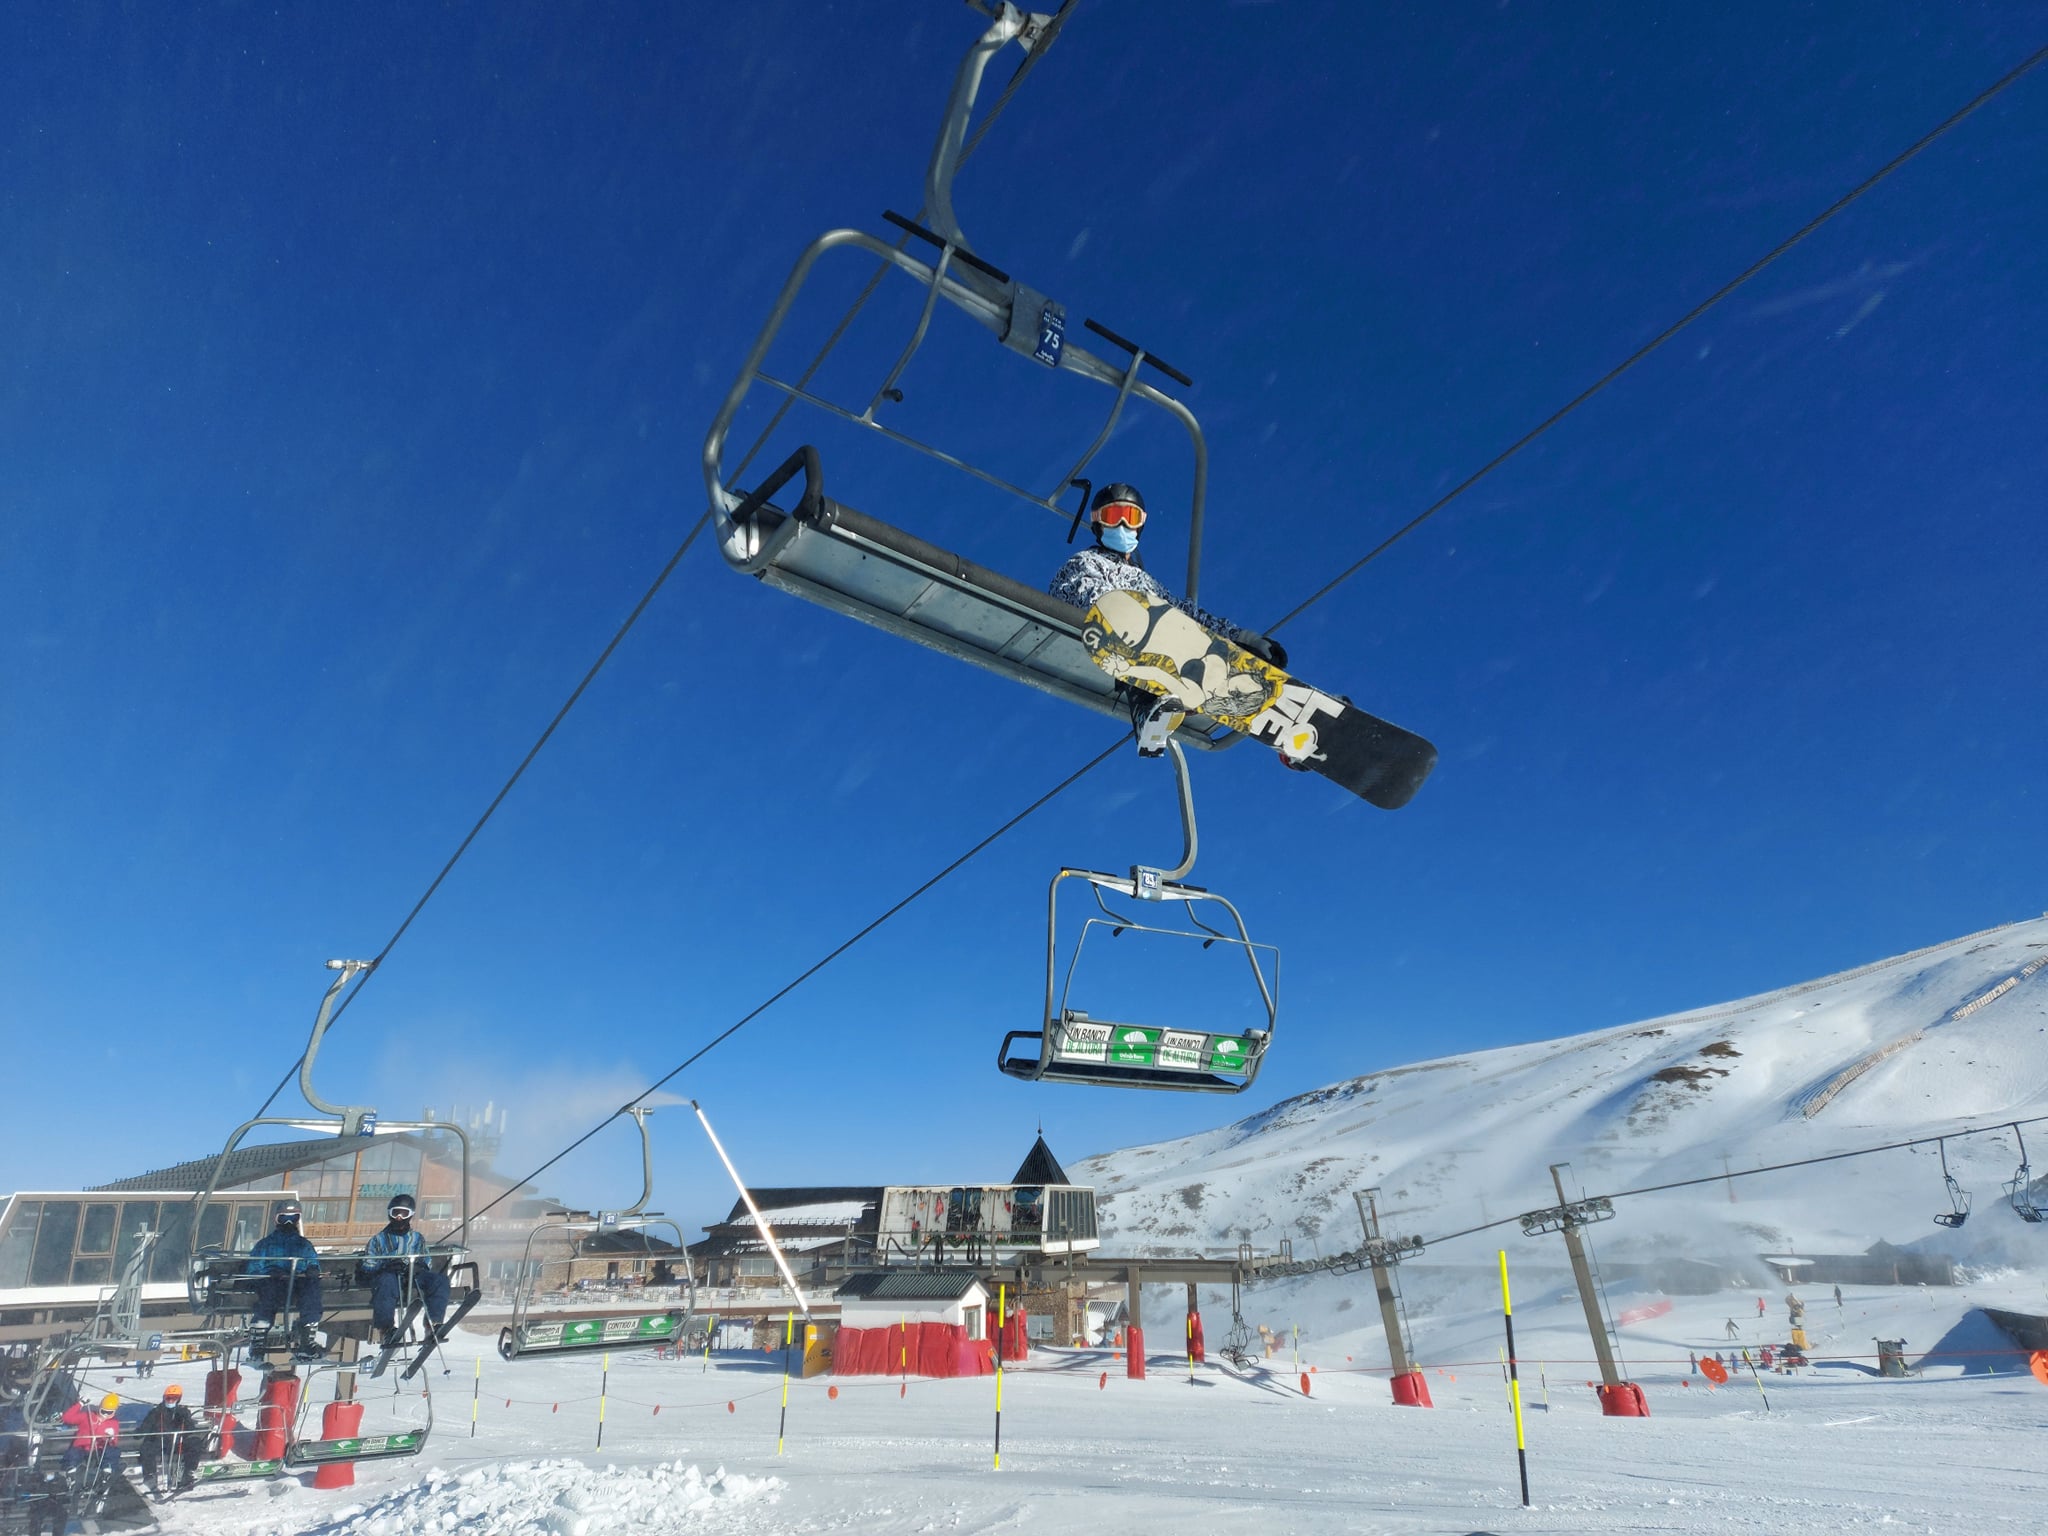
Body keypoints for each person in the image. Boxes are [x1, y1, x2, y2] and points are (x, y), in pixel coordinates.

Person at [1049, 482, 1288, 689]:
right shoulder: (1085, 563)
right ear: (1098, 523)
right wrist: (1134, 616)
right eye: (1112, 517)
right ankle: (1175, 682)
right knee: (1156, 633)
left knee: (1188, 628)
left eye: (1130, 517)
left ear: (1140, 524)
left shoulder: (1148, 584)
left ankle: (1233, 673)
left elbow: (1192, 616)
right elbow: (1072, 595)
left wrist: (1246, 638)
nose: (1122, 525)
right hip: (1112, 643)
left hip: (1164, 652)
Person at [361, 1194, 449, 1349]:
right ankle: (386, 1329)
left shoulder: (417, 1238)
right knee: (386, 1282)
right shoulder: (378, 1239)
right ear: (390, 1214)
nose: (399, 1218)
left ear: (411, 1215)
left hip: (413, 1276)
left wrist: (418, 1266)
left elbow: (426, 1259)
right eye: (396, 1213)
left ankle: (432, 1324)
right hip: (389, 1277)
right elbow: (368, 1264)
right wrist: (385, 1265)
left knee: (439, 1280)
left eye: (404, 1213)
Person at [245, 1203, 324, 1352]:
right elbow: (253, 1268)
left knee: (311, 1288)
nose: (288, 1223)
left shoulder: (303, 1245)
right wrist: (269, 1273)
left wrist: (312, 1270)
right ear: (276, 1220)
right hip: (276, 1283)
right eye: (284, 1219)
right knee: (269, 1291)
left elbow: (312, 1262)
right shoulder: (266, 1245)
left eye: (293, 1218)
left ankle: (307, 1339)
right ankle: (258, 1342)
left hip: (296, 1284)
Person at [135, 1384, 202, 1495]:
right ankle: (150, 1476)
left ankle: (187, 1472)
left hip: (177, 1443)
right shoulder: (156, 1412)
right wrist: (138, 1433)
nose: (170, 1401)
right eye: (168, 1398)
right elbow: (145, 1427)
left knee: (195, 1442)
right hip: (160, 1443)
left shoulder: (182, 1412)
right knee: (147, 1446)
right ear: (164, 1398)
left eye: (173, 1398)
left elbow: (190, 1429)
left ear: (178, 1399)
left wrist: (185, 1417)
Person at [58, 1393, 121, 1474]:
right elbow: (67, 1418)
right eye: (103, 1411)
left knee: (112, 1451)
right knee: (73, 1454)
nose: (105, 1415)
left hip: (99, 1449)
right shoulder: (88, 1417)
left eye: (109, 1413)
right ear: (99, 1408)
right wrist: (80, 1404)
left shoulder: (113, 1423)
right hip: (82, 1447)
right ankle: (71, 1469)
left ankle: (108, 1469)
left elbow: (114, 1442)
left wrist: (111, 1437)